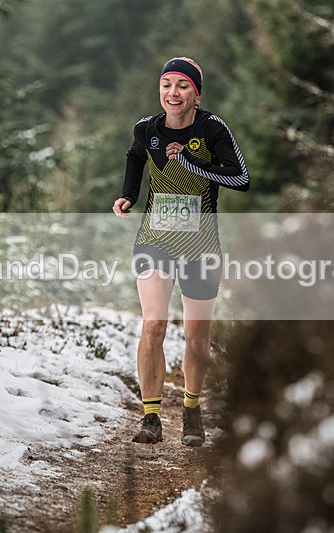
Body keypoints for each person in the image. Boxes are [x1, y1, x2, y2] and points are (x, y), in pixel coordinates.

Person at [112, 57, 249, 446]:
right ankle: (151, 417)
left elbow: (240, 178)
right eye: (167, 84)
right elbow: (136, 156)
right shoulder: (147, 129)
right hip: (154, 239)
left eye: (183, 86)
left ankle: (191, 408)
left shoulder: (211, 128)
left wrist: (191, 162)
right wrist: (128, 195)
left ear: (196, 93)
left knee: (195, 336)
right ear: (160, 90)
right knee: (154, 324)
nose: (173, 92)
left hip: (201, 244)